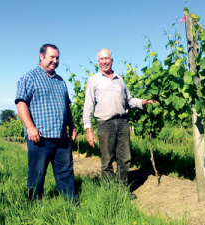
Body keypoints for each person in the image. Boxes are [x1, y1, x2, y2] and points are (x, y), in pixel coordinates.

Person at [83, 48, 156, 196]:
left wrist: (144, 101)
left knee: (125, 158)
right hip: (105, 123)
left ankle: (122, 189)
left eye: (107, 58)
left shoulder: (120, 79)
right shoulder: (93, 80)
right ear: (98, 62)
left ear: (111, 60)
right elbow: (88, 106)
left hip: (122, 122)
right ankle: (110, 193)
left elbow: (129, 101)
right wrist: (88, 129)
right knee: (107, 159)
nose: (104, 61)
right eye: (101, 59)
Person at [15, 44, 77, 201]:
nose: (55, 61)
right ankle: (34, 207)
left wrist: (72, 127)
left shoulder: (60, 81)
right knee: (37, 174)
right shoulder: (29, 77)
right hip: (40, 137)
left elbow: (66, 106)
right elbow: (21, 102)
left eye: (57, 58)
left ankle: (71, 204)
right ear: (41, 56)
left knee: (66, 172)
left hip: (61, 136)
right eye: (52, 57)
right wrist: (30, 127)